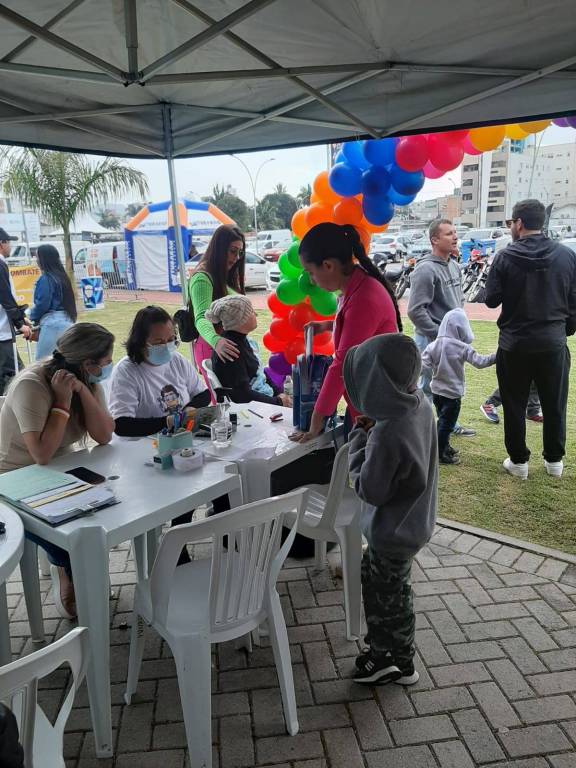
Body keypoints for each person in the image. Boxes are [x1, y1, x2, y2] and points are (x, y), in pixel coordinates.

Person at [0, 323, 115, 618]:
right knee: (69, 536)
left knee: (105, 514)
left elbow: (104, 435)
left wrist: (83, 391)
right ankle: (64, 566)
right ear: (87, 363)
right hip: (14, 476)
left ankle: (78, 567)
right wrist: (63, 401)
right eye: (106, 361)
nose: (109, 366)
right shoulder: (32, 385)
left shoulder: (87, 380)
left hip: (61, 470)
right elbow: (41, 454)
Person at [343, 334, 437, 685]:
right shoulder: (419, 405)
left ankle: (390, 660)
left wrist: (358, 442)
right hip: (412, 523)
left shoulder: (387, 433)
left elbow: (370, 488)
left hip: (392, 532)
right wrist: (376, 428)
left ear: (377, 383)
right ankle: (396, 654)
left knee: (386, 598)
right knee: (391, 589)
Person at [485, 198, 576, 479]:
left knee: (514, 405)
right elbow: (573, 300)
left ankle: (519, 462)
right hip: (552, 342)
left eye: (511, 223)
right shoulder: (566, 255)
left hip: (515, 344)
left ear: (519, 223)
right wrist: (564, 330)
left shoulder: (504, 257)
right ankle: (554, 461)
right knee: (555, 403)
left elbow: (491, 299)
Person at [289, 223, 402, 442]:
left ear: (328, 265)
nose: (311, 280)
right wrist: (328, 325)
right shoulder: (355, 287)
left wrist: (315, 422)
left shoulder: (364, 297)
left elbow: (342, 364)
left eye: (311, 272)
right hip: (366, 402)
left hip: (376, 408)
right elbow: (359, 329)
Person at [407, 219, 475, 437]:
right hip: (430, 340)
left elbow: (459, 301)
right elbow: (415, 311)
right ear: (434, 240)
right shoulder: (425, 270)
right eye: (448, 234)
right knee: (426, 386)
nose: (455, 237)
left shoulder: (454, 265)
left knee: (448, 386)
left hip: (451, 342)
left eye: (455, 232)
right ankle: (423, 430)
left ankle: (448, 424)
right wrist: (441, 335)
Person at [109, 305, 210, 438]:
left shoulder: (177, 360)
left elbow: (204, 394)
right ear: (141, 343)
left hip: (181, 437)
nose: (166, 346)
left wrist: (190, 408)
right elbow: (122, 425)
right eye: (158, 342)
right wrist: (167, 422)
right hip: (144, 442)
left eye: (171, 340)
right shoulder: (126, 372)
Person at [421, 308, 496, 465]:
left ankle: (443, 446)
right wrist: (496, 356)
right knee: (447, 425)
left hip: (437, 392)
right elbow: (480, 362)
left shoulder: (434, 345)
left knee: (442, 421)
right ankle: (440, 454)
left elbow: (422, 365)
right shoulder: (462, 347)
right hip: (452, 394)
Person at [205, 295, 292, 406]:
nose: (256, 314)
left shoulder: (241, 340)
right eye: (251, 311)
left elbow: (259, 373)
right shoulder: (231, 350)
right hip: (254, 409)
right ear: (240, 320)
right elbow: (242, 395)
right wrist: (278, 402)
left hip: (264, 398)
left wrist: (278, 393)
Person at [188, 225, 246, 386]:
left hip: (226, 345)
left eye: (240, 252)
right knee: (226, 399)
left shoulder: (223, 274)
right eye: (232, 251)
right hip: (213, 347)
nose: (236, 257)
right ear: (219, 248)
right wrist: (216, 341)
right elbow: (201, 317)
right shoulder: (202, 277)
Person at [29, 244, 77, 360]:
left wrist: (31, 316)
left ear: (43, 259)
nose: (36, 260)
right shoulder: (63, 277)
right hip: (68, 322)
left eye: (37, 257)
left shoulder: (46, 279)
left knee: (42, 363)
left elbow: (42, 304)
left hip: (52, 324)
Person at [0, 227, 31, 392]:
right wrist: (20, 323)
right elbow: (6, 297)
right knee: (14, 378)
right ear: (1, 243)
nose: (10, 246)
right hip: (2, 333)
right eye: (8, 242)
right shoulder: (0, 264)